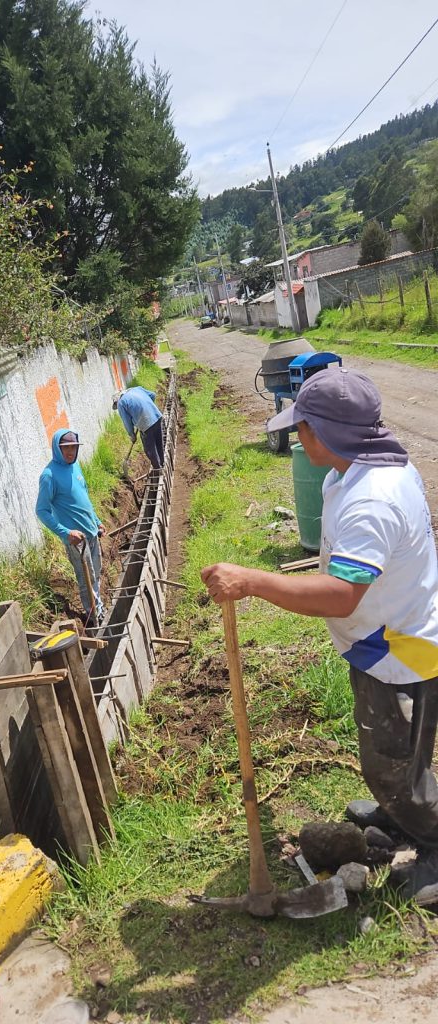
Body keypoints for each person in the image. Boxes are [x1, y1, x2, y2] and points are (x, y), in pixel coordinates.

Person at [201, 366, 438, 900]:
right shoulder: (356, 470)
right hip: (388, 634)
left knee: (393, 763)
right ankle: (400, 804)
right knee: (400, 746)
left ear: (327, 433)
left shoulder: (371, 499)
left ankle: (427, 832)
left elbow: (340, 594)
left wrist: (252, 582)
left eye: (302, 427)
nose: (296, 436)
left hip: (398, 649)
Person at [36, 429, 105, 624]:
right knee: (86, 580)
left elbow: (84, 498)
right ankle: (95, 618)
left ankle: (98, 609)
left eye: (73, 447)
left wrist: (97, 520)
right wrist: (67, 533)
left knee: (96, 573)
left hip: (91, 533)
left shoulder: (75, 467)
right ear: (57, 449)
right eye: (66, 448)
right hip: (77, 540)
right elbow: (41, 511)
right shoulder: (49, 476)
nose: (70, 452)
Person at [113, 386, 164, 469]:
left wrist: (132, 435)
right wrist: (148, 408)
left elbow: (127, 422)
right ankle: (163, 463)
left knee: (150, 449)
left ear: (116, 400)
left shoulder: (121, 403)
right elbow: (153, 395)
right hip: (156, 416)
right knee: (159, 443)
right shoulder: (137, 389)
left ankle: (158, 469)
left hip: (146, 424)